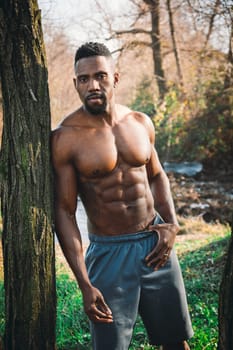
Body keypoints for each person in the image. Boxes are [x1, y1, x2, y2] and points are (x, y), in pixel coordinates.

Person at [51, 42, 193, 350]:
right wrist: (84, 283)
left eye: (100, 76)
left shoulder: (140, 123)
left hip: (155, 244)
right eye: (84, 79)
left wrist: (171, 224)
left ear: (115, 77)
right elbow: (64, 211)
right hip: (109, 254)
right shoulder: (65, 138)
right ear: (75, 83)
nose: (93, 85)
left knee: (175, 341)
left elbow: (156, 175)